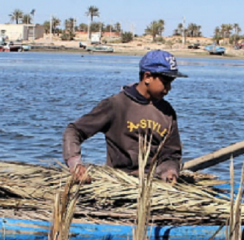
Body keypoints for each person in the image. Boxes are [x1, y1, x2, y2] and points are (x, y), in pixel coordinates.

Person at [62, 49, 186, 183]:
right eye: (165, 82)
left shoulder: (167, 112)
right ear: (148, 77)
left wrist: (170, 171)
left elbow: (171, 154)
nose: (168, 88)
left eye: (171, 82)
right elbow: (73, 131)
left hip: (153, 182)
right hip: (119, 181)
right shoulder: (116, 105)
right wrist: (76, 164)